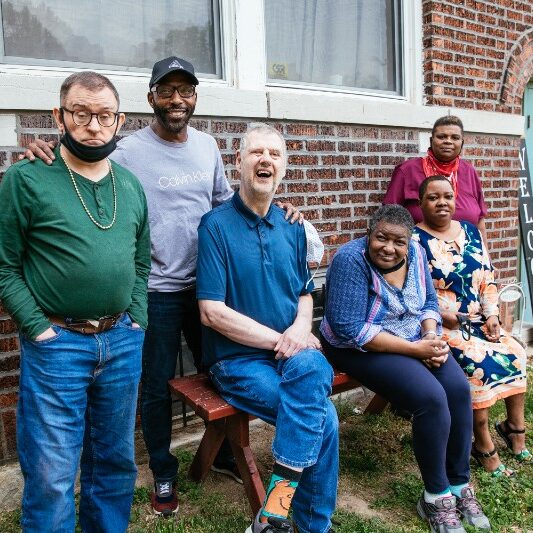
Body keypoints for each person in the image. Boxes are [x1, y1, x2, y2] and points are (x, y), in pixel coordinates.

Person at [21, 56, 300, 517]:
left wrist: (273, 204)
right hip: (154, 291)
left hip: (209, 287)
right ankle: (163, 471)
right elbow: (81, 158)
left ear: (194, 98)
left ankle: (228, 452)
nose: (176, 99)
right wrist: (44, 150)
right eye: (166, 90)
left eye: (185, 90)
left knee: (219, 369)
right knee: (154, 387)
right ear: (151, 98)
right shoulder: (127, 150)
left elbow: (225, 204)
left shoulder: (208, 146)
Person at [0, 72, 150, 532]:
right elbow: (5, 265)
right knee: (51, 472)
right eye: (80, 113)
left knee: (115, 462)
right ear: (59, 116)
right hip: (57, 343)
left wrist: (137, 318)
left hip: (121, 342)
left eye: (104, 115)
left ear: (119, 120)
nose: (93, 125)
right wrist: (37, 328)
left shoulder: (130, 185)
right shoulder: (27, 179)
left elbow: (143, 263)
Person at [196, 123, 338, 533]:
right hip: (238, 362)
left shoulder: (293, 226)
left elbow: (304, 292)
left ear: (284, 167)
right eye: (256, 152)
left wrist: (299, 327)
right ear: (238, 163)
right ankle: (306, 523)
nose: (265, 160)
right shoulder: (215, 226)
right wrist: (286, 340)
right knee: (323, 418)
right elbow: (212, 312)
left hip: (291, 358)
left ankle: (275, 519)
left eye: (274, 155)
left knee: (312, 368)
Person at [320, 205, 491, 533]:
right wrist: (416, 350)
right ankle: (435, 496)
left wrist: (430, 336)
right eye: (381, 238)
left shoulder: (415, 252)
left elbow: (428, 302)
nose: (389, 247)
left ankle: (459, 484)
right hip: (356, 348)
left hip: (413, 337)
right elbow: (349, 328)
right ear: (369, 234)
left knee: (456, 390)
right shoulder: (350, 260)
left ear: (409, 240)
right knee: (430, 398)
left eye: (398, 241)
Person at [413, 175, 529, 477]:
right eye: (433, 197)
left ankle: (515, 428)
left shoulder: (471, 232)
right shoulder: (414, 241)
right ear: (421, 202)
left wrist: (492, 315)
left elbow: (487, 278)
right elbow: (411, 290)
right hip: (441, 326)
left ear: (456, 199)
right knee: (478, 364)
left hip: (479, 321)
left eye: (447, 196)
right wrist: (441, 314)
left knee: (515, 351)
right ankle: (483, 444)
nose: (442, 203)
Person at [383, 115, 489, 246]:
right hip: (421, 254)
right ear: (431, 140)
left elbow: (480, 221)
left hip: (469, 254)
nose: (448, 141)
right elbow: (389, 217)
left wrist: (487, 260)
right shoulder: (407, 170)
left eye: (455, 138)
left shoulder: (469, 171)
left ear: (462, 143)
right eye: (442, 137)